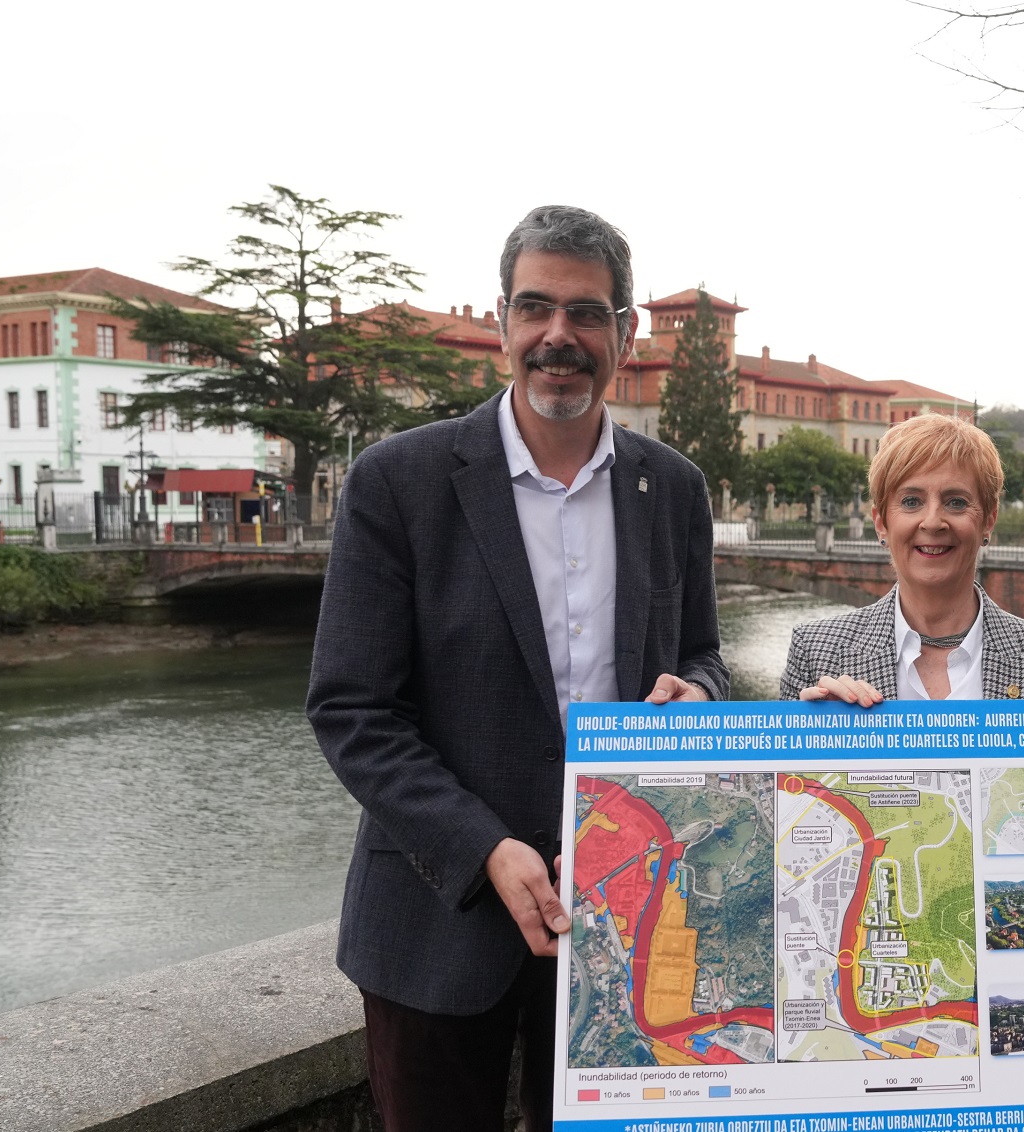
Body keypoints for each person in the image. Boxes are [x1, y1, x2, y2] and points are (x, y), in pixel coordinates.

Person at [307, 205, 729, 1132]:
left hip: (624, 921)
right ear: (502, 321)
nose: (558, 336)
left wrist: (697, 691)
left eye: (586, 313)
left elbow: (703, 652)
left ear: (624, 333)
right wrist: (483, 847)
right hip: (435, 920)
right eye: (535, 307)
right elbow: (352, 709)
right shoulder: (397, 482)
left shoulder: (674, 488)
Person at [780, 413, 1024, 703]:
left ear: (988, 521)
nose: (933, 522)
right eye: (911, 501)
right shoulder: (815, 652)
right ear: (881, 523)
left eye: (956, 502)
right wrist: (812, 730)